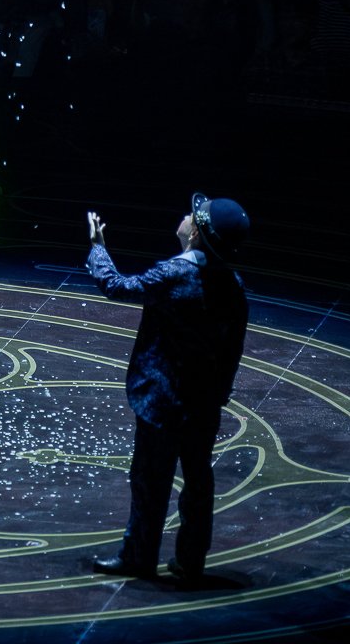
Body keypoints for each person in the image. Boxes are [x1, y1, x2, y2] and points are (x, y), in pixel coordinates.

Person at [85, 194, 250, 585]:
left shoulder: (173, 274)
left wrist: (97, 247)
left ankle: (139, 556)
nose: (186, 216)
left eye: (192, 215)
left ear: (196, 233)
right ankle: (191, 561)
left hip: (161, 401)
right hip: (203, 404)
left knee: (150, 481)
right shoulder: (232, 285)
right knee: (198, 482)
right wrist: (219, 394)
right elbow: (233, 349)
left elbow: (117, 286)